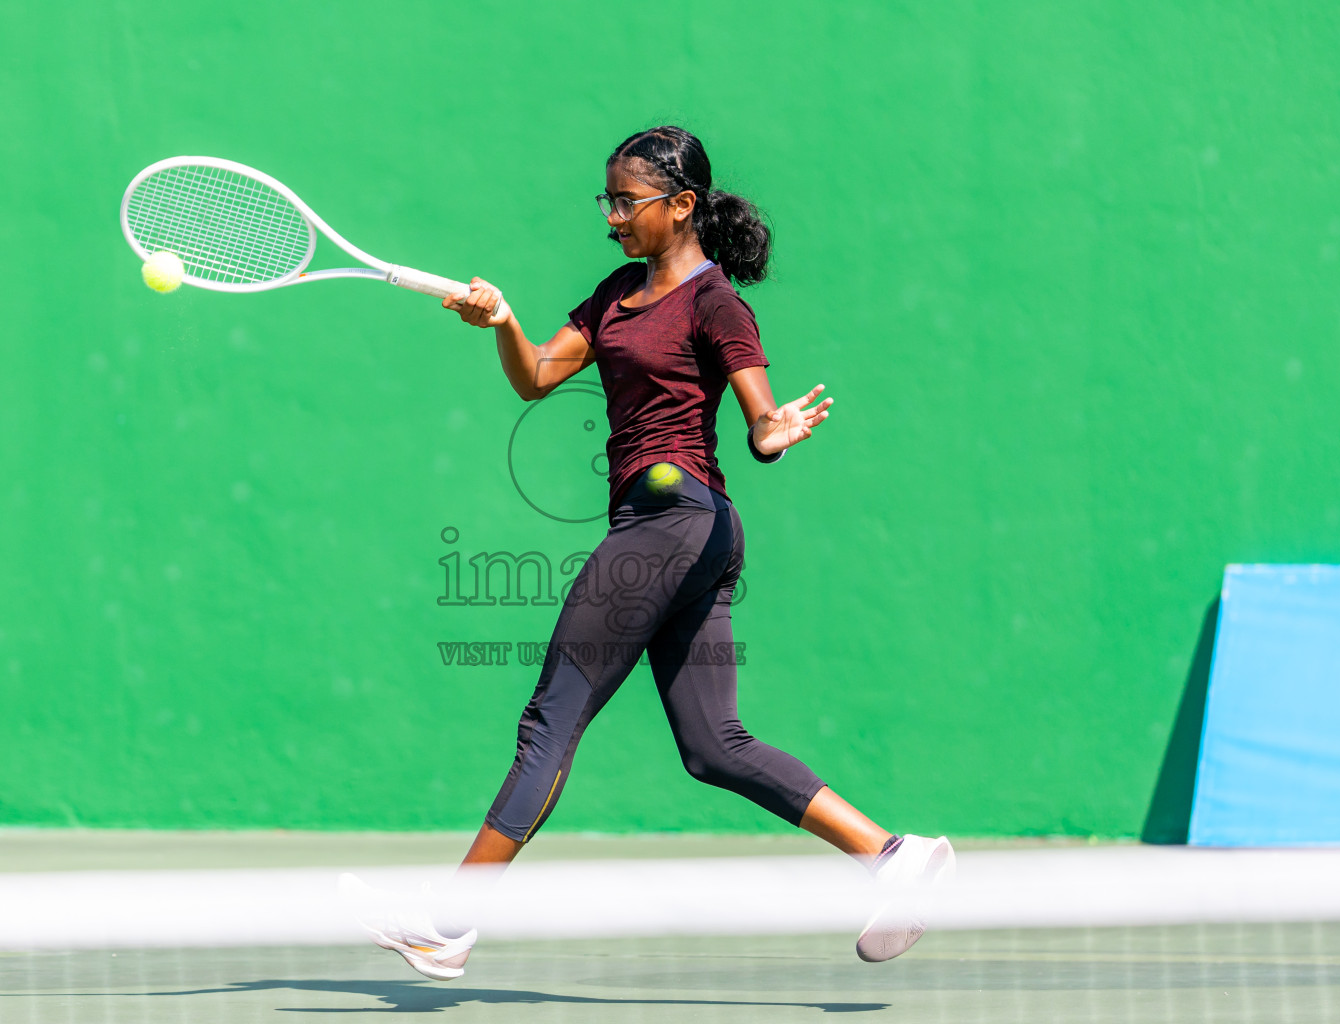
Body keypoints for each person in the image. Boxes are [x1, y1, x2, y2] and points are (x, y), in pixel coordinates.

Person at [339, 126, 954, 980]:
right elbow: (537, 376)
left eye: (627, 202)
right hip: (686, 531)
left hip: (674, 518)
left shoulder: (715, 304)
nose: (613, 217)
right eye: (609, 201)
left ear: (682, 205)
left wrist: (775, 430)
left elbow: (760, 422)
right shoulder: (615, 293)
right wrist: (503, 319)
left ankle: (449, 922)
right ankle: (896, 855)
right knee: (713, 744)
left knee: (551, 718)